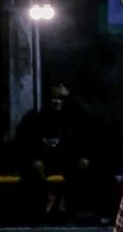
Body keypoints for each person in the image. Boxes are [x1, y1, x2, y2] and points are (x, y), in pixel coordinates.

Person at [14, 82, 99, 219]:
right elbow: (23, 144)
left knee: (82, 164)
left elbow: (87, 119)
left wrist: (70, 97)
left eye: (60, 99)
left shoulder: (69, 118)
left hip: (63, 160)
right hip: (41, 161)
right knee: (32, 170)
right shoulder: (35, 118)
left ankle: (64, 202)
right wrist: (34, 158)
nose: (57, 102)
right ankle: (46, 200)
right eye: (53, 99)